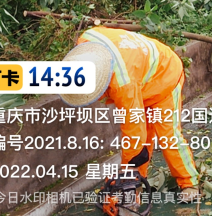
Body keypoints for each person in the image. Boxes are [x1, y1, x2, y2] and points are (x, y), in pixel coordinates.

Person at [58, 27, 200, 202]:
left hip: (165, 75)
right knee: (144, 137)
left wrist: (125, 176)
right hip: (141, 75)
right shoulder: (86, 42)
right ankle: (138, 180)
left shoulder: (123, 83)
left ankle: (189, 183)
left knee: (168, 135)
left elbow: (133, 132)